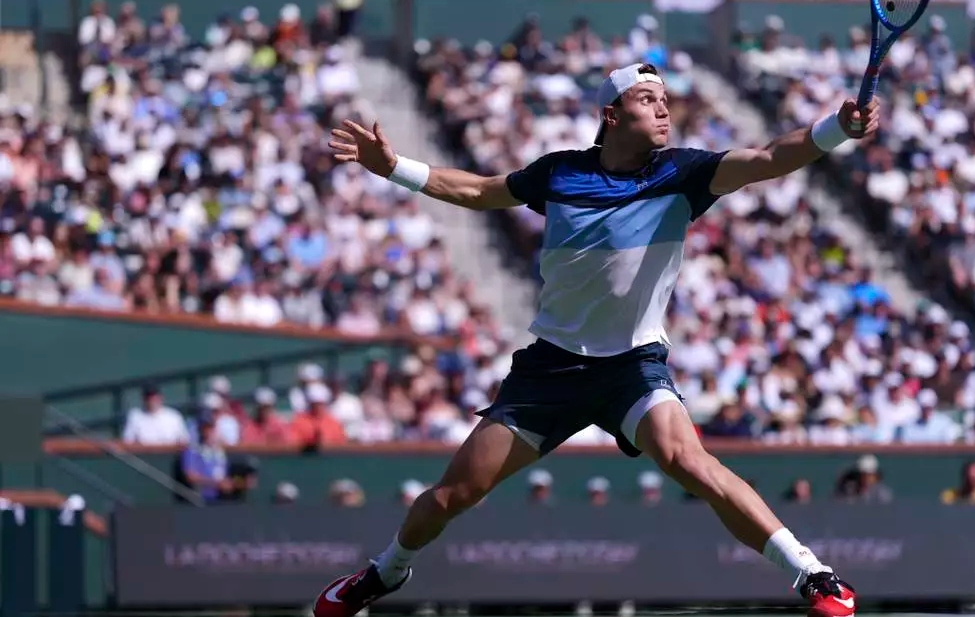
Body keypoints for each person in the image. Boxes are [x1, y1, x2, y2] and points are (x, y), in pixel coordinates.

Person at [316, 62, 879, 617]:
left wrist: (836, 128)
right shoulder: (559, 173)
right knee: (450, 497)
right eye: (646, 99)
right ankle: (384, 572)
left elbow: (769, 159)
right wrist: (393, 168)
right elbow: (481, 190)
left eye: (664, 98)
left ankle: (814, 576)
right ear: (612, 115)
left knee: (690, 460)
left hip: (633, 366)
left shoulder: (683, 172)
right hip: (552, 370)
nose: (662, 108)